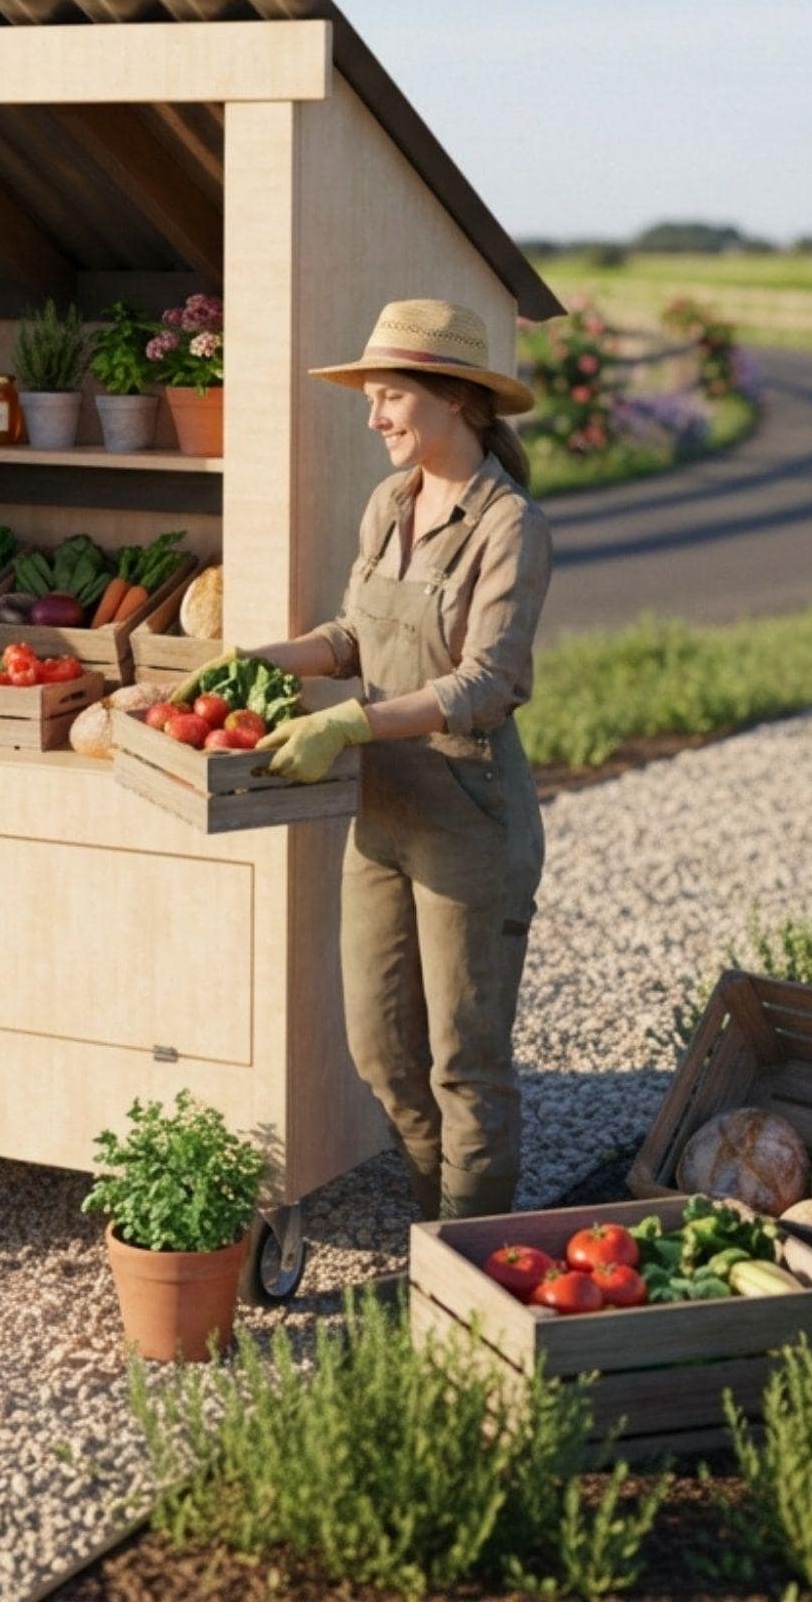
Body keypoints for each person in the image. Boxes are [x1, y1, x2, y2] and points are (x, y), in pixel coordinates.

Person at [240, 298, 551, 1221]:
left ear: (453, 397)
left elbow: (487, 682)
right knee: (380, 1050)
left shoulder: (510, 525)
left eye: (390, 397)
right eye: (371, 398)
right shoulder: (390, 504)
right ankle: (435, 1216)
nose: (375, 418)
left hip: (470, 817)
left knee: (466, 1062)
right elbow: (353, 636)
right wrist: (256, 664)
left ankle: (470, 1254)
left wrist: (349, 726)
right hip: (381, 813)